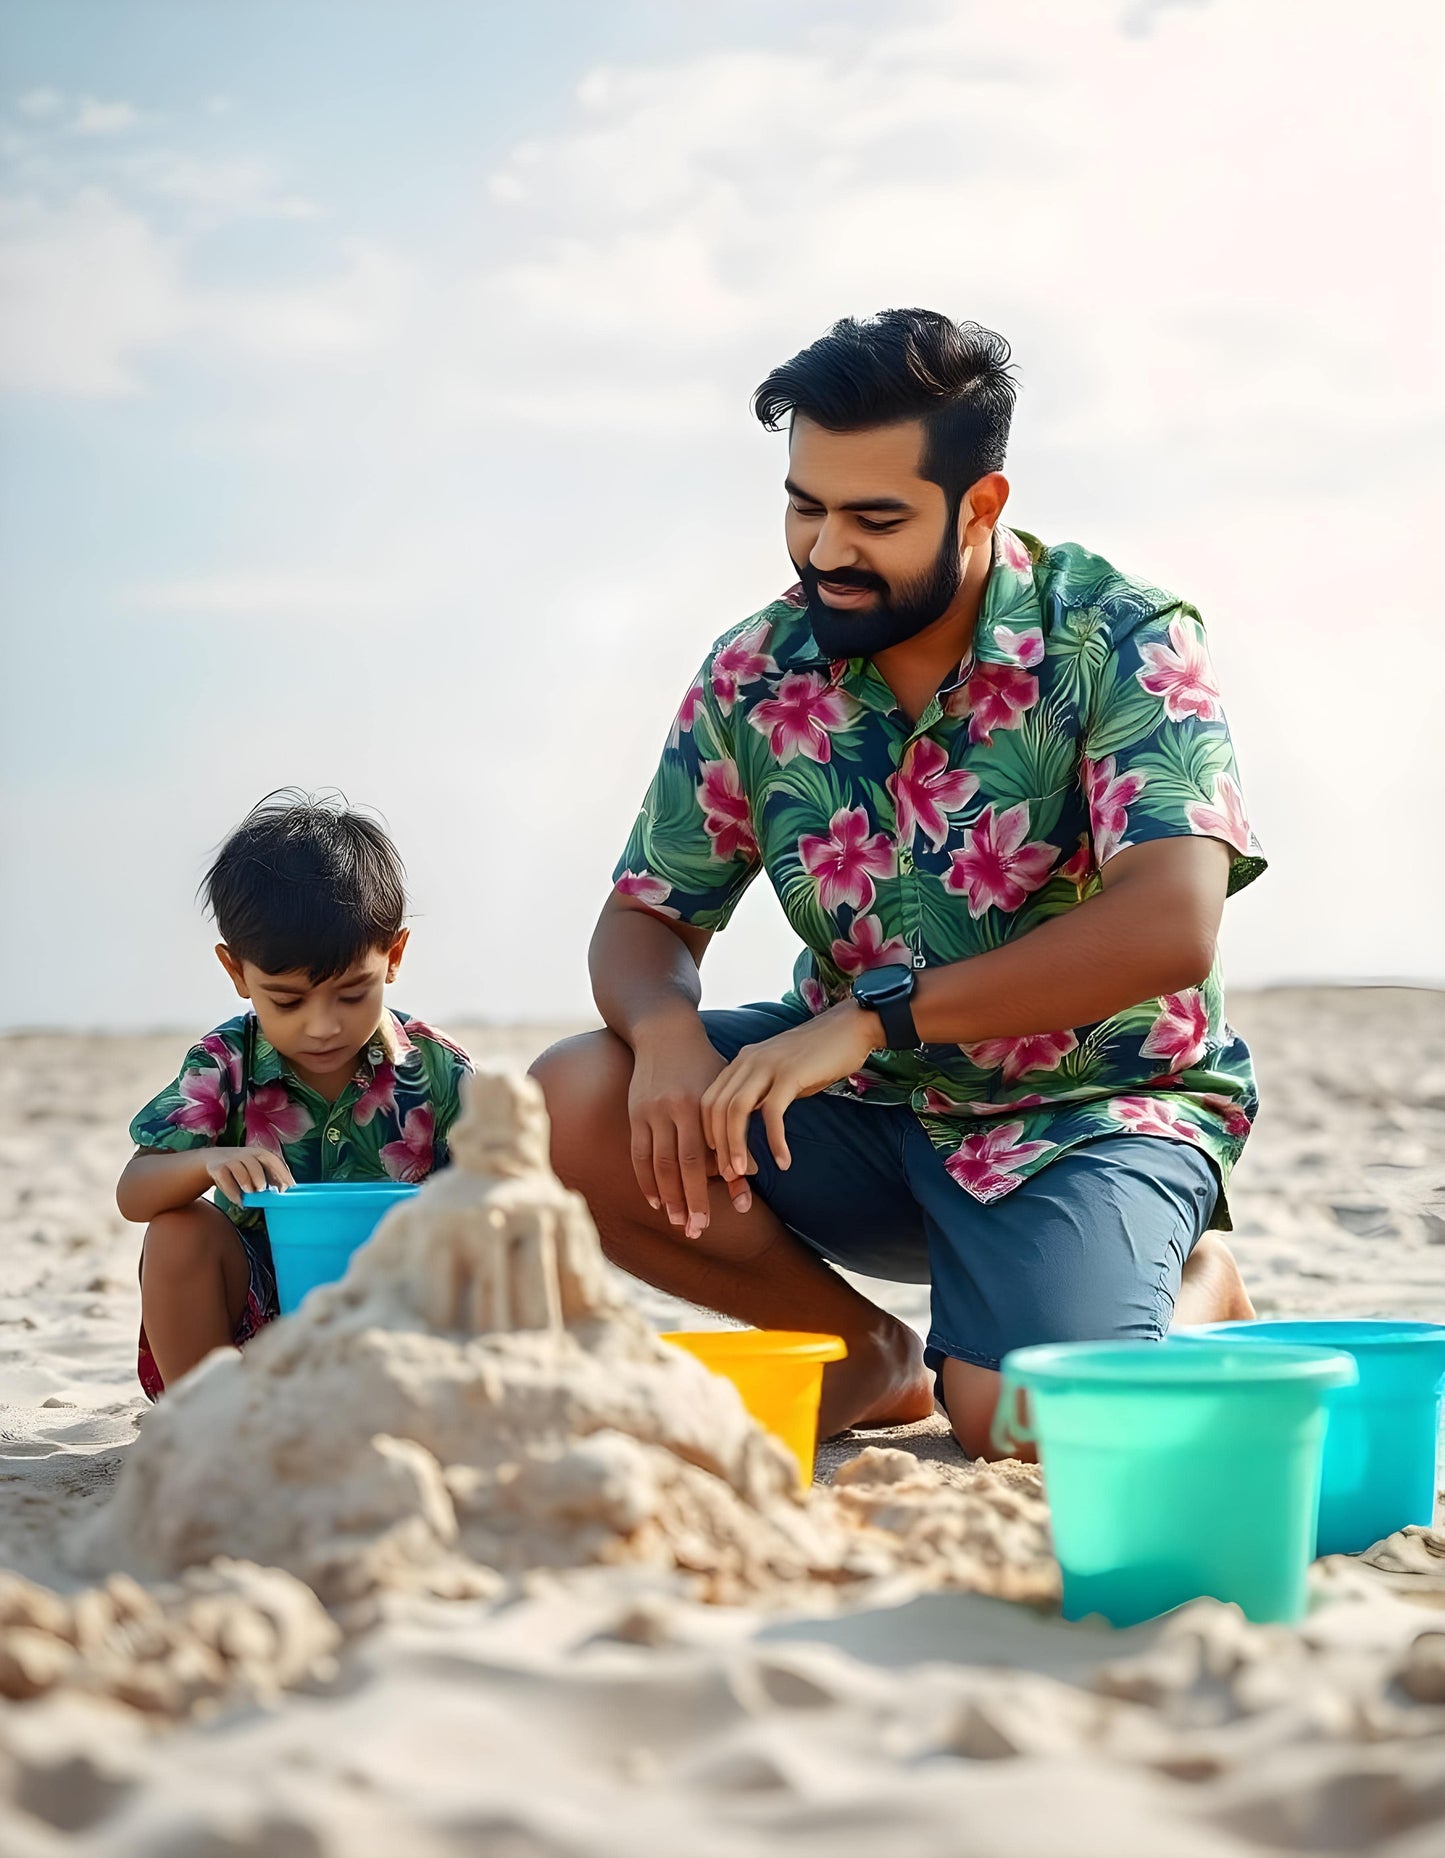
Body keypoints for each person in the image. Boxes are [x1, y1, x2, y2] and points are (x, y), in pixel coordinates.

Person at [532, 308, 1263, 1458]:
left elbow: (1170, 926)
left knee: (1016, 1423)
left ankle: (1189, 1282)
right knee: (568, 1101)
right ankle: (860, 1354)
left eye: (873, 518)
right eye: (803, 505)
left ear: (979, 507)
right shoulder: (752, 667)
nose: (825, 551)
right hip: (859, 1117)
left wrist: (873, 1025)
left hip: (1085, 1109)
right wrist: (667, 1035)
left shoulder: (1120, 637)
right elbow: (642, 916)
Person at [117, 791, 472, 1396]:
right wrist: (206, 1162)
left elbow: (508, 1193)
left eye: (352, 993)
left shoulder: (436, 1068)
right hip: (255, 1333)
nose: (322, 1025)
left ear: (393, 956)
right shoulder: (224, 1065)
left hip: (403, 1324)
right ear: (237, 973)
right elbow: (134, 1193)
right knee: (176, 1233)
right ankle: (207, 1430)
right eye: (286, 1000)